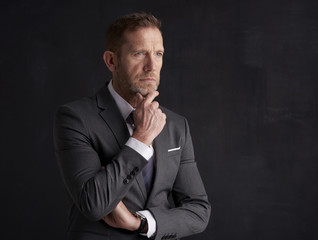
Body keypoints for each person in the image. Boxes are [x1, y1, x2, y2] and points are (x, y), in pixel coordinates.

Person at [54, 12, 210, 240]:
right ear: (111, 60)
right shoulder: (75, 118)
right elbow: (93, 204)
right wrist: (141, 139)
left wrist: (140, 223)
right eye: (139, 53)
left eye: (158, 54)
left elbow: (199, 211)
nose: (151, 65)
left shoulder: (177, 125)